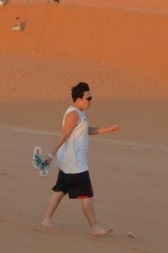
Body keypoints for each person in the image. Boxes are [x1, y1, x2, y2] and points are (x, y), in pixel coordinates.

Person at [41, 82, 119, 236]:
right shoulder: (73, 114)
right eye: (88, 98)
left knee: (60, 190)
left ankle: (46, 220)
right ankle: (94, 227)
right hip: (75, 163)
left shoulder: (79, 113)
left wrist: (107, 129)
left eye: (91, 98)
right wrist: (51, 153)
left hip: (69, 162)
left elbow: (86, 130)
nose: (90, 101)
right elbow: (64, 134)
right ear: (78, 99)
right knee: (86, 195)